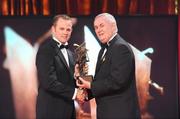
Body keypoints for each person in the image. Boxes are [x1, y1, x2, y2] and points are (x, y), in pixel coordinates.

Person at [76, 13, 141, 119]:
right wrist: (86, 93)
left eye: (102, 25)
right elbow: (101, 80)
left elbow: (117, 81)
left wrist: (90, 86)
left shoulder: (121, 48)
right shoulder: (103, 50)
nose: (98, 30)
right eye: (96, 27)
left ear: (113, 26)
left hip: (120, 114)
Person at [36, 14, 85, 119]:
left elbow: (68, 81)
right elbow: (48, 82)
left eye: (68, 29)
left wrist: (77, 78)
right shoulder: (46, 50)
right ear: (53, 29)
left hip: (69, 111)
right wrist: (76, 93)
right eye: (62, 28)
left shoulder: (71, 54)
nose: (65, 32)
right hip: (51, 111)